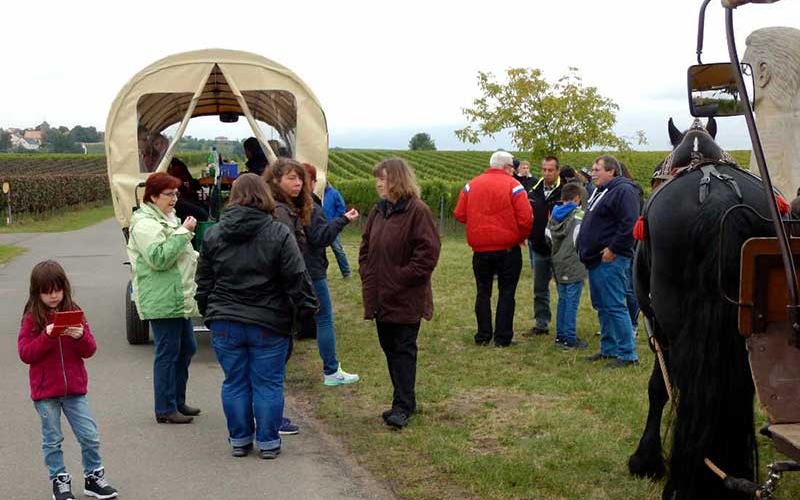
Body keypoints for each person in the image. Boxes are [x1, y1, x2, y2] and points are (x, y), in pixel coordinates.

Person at [195, 174, 318, 459]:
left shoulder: (214, 233)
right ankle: (268, 442)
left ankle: (239, 440)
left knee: (235, 382)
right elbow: (296, 276)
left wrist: (208, 311)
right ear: (265, 195)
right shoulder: (278, 232)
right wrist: (307, 308)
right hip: (269, 320)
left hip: (226, 319)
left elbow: (204, 281)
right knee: (268, 383)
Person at [18, 260, 119, 500]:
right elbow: (25, 353)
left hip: (75, 389)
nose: (53, 296)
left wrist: (80, 336)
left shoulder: (74, 311)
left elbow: (90, 349)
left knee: (89, 435)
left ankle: (93, 477)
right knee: (52, 440)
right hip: (46, 393)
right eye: (46, 291)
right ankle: (60, 480)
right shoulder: (32, 318)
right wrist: (48, 336)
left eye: (57, 290)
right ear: (37, 292)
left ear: (65, 288)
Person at [360, 158, 441, 428]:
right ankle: (404, 399)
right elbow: (365, 246)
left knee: (403, 350)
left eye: (382, 178)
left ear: (397, 179)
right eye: (377, 179)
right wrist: (368, 272)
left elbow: (427, 255)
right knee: (389, 348)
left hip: (406, 297)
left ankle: (402, 406)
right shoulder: (378, 211)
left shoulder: (418, 212)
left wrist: (398, 278)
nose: (378, 184)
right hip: (381, 296)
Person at [127, 172, 201, 423]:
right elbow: (158, 258)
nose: (174, 199)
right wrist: (184, 232)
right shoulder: (145, 224)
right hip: (162, 298)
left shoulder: (167, 217)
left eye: (176, 194)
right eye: (169, 194)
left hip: (177, 296)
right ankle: (165, 408)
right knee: (168, 353)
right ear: (153, 196)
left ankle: (177, 402)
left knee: (187, 347)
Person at [453, 150, 533, 347]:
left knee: (483, 292)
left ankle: (483, 335)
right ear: (507, 167)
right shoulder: (514, 186)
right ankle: (502, 337)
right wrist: (518, 237)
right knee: (507, 292)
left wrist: (478, 225)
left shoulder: (471, 185)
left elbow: (459, 214)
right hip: (508, 248)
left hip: (480, 249)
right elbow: (526, 218)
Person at [301, 162, 361, 385]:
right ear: (313, 182)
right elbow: (320, 237)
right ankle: (331, 370)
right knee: (324, 318)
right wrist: (343, 220)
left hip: (293, 268)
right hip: (313, 270)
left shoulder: (284, 206)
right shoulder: (312, 207)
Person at [578, 154, 640, 368]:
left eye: (597, 169)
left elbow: (629, 223)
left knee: (614, 305)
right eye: (593, 169)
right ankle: (609, 348)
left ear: (611, 171)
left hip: (610, 259)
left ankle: (627, 354)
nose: (593, 173)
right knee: (603, 306)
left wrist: (613, 249)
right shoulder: (601, 190)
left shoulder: (624, 191)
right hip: (595, 259)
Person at [545, 183, 588, 350]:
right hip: (574, 262)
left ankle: (560, 335)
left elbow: (547, 236)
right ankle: (569, 338)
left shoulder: (553, 215)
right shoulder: (580, 216)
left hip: (558, 261)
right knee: (572, 301)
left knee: (562, 299)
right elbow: (583, 239)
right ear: (577, 198)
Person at [525, 156, 563, 336]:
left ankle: (565, 326)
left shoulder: (565, 190)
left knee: (564, 289)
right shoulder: (533, 190)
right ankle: (542, 323)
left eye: (550, 170)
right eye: (544, 169)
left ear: (557, 171)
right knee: (539, 288)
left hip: (560, 250)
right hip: (539, 247)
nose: (547, 173)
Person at [323, 182, 352, 279]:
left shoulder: (334, 193)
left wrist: (335, 222)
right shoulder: (316, 194)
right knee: (319, 253)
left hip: (332, 227)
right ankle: (321, 274)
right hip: (320, 228)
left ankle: (346, 273)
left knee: (338, 250)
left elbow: (341, 209)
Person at [167, 157, 209, 222]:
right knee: (202, 213)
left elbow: (190, 181)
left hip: (185, 197)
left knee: (205, 208)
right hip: (177, 200)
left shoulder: (176, 163)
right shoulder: (161, 167)